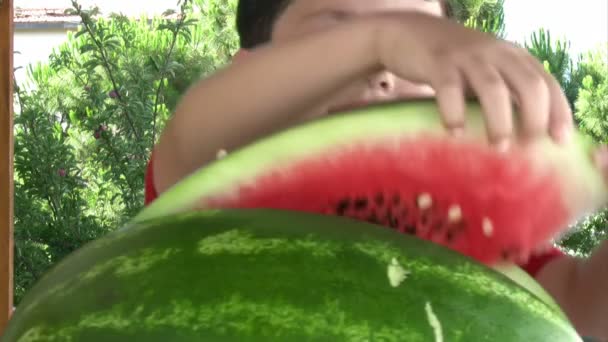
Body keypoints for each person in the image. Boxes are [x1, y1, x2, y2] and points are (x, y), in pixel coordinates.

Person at [144, 0, 608, 338]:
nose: (385, 69)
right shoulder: (216, 169)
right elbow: (189, 138)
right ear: (248, 69)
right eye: (334, 31)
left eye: (429, 47)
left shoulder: (460, 227)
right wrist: (384, 38)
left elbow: (582, 311)